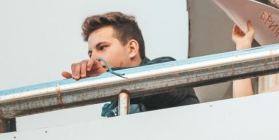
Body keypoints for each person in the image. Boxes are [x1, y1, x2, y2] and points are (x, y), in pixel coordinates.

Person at [62, 11, 199, 116]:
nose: (94, 58)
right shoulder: (113, 105)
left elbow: (157, 91)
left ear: (132, 48)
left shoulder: (166, 67)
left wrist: (109, 76)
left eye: (102, 47)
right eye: (90, 54)